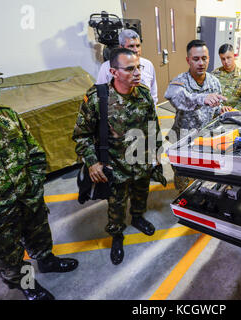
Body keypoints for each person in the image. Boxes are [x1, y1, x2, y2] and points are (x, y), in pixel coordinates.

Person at [0, 56, 78, 300]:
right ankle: (29, 287)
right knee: (10, 260)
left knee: (40, 238)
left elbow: (35, 152)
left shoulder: (6, 116)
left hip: (29, 202)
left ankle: (47, 261)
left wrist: (34, 187)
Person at [72, 48, 165, 265]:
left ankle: (139, 217)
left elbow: (153, 127)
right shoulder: (98, 98)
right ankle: (117, 235)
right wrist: (92, 162)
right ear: (114, 71)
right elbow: (81, 135)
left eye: (138, 67)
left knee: (141, 194)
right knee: (116, 205)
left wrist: (156, 153)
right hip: (114, 166)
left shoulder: (143, 94)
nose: (137, 73)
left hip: (140, 162)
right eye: (130, 69)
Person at [164, 39, 230, 192]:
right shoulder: (179, 82)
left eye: (204, 58)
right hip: (182, 141)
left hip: (205, 142)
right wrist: (202, 98)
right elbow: (177, 97)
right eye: (196, 59)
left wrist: (221, 110)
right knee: (184, 183)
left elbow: (215, 108)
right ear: (188, 60)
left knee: (204, 180)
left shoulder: (214, 82)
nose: (201, 63)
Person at [96, 29, 158, 105]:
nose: (136, 50)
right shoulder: (106, 67)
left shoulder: (148, 64)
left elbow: (153, 93)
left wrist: (153, 108)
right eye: (131, 46)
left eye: (138, 46)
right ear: (121, 47)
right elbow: (101, 93)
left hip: (143, 111)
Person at [212, 44, 241, 111]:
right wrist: (220, 109)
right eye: (223, 59)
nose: (226, 62)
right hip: (216, 113)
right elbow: (210, 95)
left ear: (234, 56)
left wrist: (232, 111)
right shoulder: (214, 75)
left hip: (234, 115)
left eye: (228, 58)